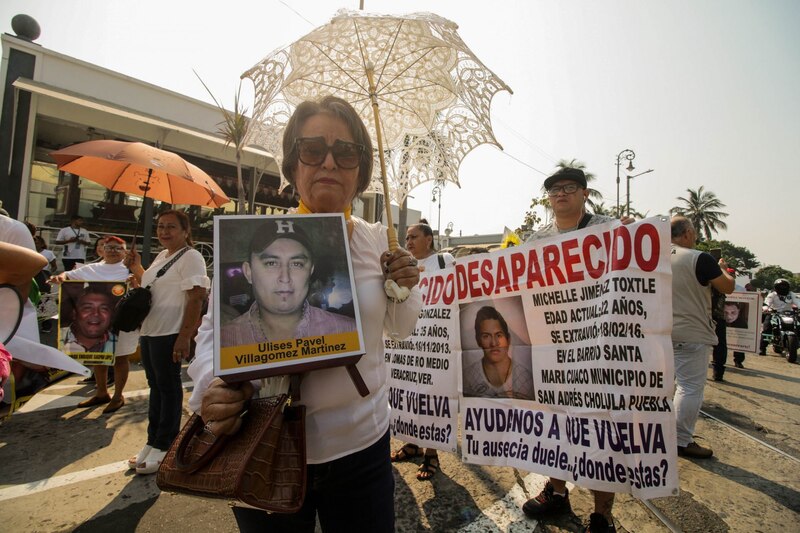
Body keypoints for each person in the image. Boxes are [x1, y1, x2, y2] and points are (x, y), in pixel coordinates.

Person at [188, 95, 421, 533]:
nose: (329, 162)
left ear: (361, 170)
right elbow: (210, 334)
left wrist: (405, 289)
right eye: (313, 150)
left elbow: (403, 330)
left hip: (363, 448)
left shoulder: (378, 242)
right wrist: (209, 387)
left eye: (345, 152)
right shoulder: (252, 238)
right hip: (264, 442)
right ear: (294, 165)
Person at [521, 167, 633, 533]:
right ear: (548, 198)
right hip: (552, 349)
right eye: (554, 190)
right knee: (554, 424)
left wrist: (631, 236)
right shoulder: (537, 239)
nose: (561, 195)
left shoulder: (609, 229)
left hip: (599, 350)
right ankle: (556, 492)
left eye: (569, 188)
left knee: (600, 427)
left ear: (585, 194)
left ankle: (603, 513)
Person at [124, 210, 210, 475]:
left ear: (186, 231)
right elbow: (155, 285)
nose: (164, 231)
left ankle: (167, 443)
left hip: (170, 333)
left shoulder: (192, 257)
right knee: (156, 387)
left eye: (171, 227)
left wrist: (185, 336)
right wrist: (136, 267)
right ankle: (153, 440)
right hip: (151, 331)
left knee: (169, 388)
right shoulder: (162, 256)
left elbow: (196, 298)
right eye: (161, 226)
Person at [220, 218, 356, 345]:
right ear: (248, 272)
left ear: (311, 270)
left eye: (297, 264)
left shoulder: (347, 331)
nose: (285, 278)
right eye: (271, 263)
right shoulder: (224, 340)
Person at [390, 221, 456, 481]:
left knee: (432, 397)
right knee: (408, 393)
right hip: (409, 342)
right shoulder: (404, 265)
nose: (408, 242)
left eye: (414, 237)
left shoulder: (444, 261)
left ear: (429, 239)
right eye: (406, 238)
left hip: (435, 344)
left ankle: (431, 454)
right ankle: (412, 443)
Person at [670, 216, 734, 458]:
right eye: (694, 233)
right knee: (689, 387)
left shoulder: (652, 257)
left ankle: (658, 435)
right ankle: (681, 440)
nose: (695, 237)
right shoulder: (699, 258)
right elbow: (726, 287)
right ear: (687, 233)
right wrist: (724, 269)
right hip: (692, 332)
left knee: (663, 388)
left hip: (658, 332)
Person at [49, 236, 136, 412]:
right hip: (97, 321)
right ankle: (102, 392)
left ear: (125, 252)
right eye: (108, 247)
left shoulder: (129, 270)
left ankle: (118, 396)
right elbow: (67, 275)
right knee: (99, 356)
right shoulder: (91, 268)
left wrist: (134, 280)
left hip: (122, 321)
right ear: (101, 250)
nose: (112, 250)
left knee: (120, 358)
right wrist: (60, 277)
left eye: (118, 248)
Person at [463, 305, 534, 401]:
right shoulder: (467, 377)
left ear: (508, 339)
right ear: (478, 340)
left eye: (499, 335)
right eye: (486, 336)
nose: (494, 343)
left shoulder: (526, 379)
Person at [59, 284, 117, 356]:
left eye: (103, 309)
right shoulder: (57, 338)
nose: (96, 314)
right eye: (87, 308)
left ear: (111, 315)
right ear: (74, 313)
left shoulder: (118, 343)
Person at [759, 278, 800, 354]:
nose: (782, 288)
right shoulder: (772, 295)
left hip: (789, 314)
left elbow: (798, 302)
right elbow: (767, 303)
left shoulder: (791, 294)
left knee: (798, 325)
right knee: (767, 328)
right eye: (780, 286)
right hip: (774, 313)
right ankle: (762, 348)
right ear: (776, 287)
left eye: (784, 286)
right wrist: (766, 308)